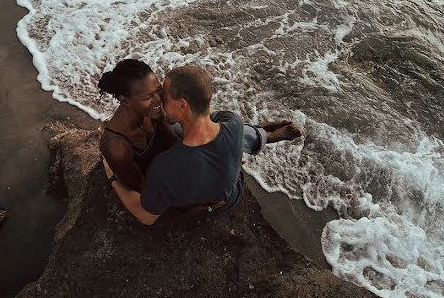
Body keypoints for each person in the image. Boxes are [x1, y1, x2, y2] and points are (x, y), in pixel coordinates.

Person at [103, 64, 298, 225]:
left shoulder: (163, 162)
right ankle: (260, 134)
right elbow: (144, 193)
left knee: (208, 126)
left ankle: (257, 135)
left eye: (160, 92)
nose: (159, 100)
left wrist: (113, 181)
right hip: (228, 190)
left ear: (180, 104)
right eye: (148, 97)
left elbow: (173, 146)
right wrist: (225, 157)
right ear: (124, 100)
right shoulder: (117, 148)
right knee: (224, 125)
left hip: (213, 196)